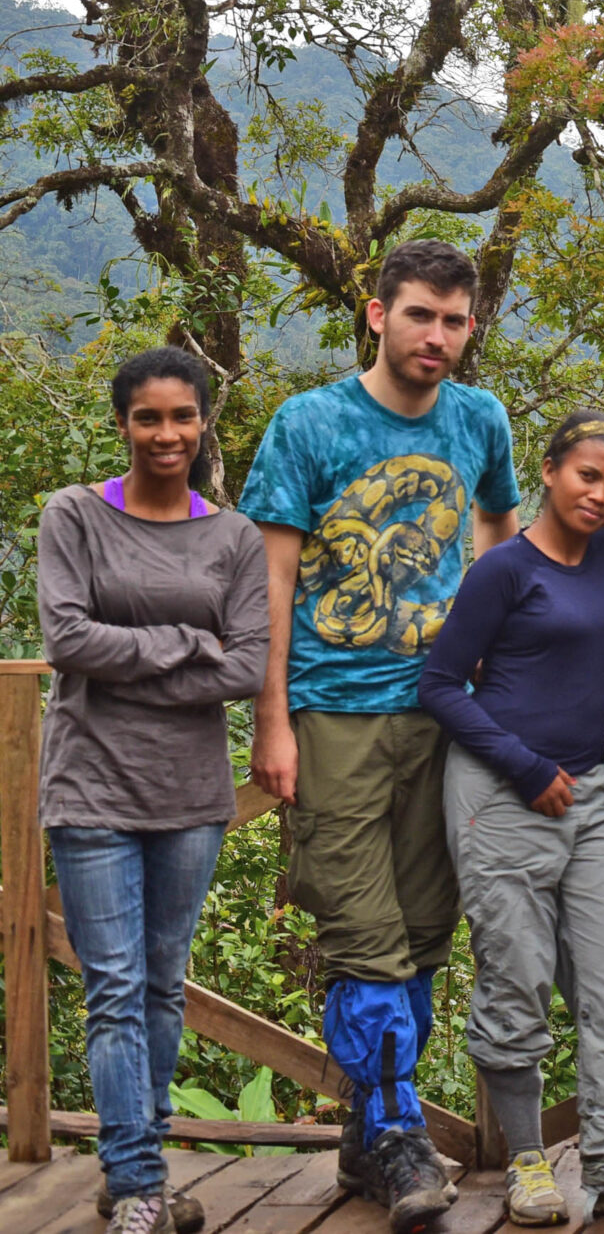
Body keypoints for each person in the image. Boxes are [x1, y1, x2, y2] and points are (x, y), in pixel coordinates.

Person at [238, 239, 521, 1234]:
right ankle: (400, 1134)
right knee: (363, 936)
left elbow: (502, 546)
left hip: (446, 714)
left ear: (469, 327)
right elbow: (269, 581)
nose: (435, 336)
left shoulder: (479, 418)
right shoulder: (308, 423)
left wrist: (499, 674)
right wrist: (272, 722)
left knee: (427, 929)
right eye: (418, 316)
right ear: (376, 313)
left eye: (452, 321)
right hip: (336, 708)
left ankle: (370, 1128)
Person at [420, 412, 604, 1227]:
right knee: (516, 978)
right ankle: (528, 1161)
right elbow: (439, 685)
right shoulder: (504, 569)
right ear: (548, 471)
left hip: (590, 792)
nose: (602, 495)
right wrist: (526, 766)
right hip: (503, 790)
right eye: (587, 476)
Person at [40, 348, 266, 1234]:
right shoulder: (74, 516)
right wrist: (184, 645)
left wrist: (132, 652)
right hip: (90, 786)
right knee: (115, 986)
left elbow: (246, 665)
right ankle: (138, 1184)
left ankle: (134, 1165)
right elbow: (66, 640)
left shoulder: (234, 537)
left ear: (204, 421)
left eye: (182, 416)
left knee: (163, 983)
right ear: (123, 423)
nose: (166, 433)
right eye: (148, 417)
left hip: (189, 795)